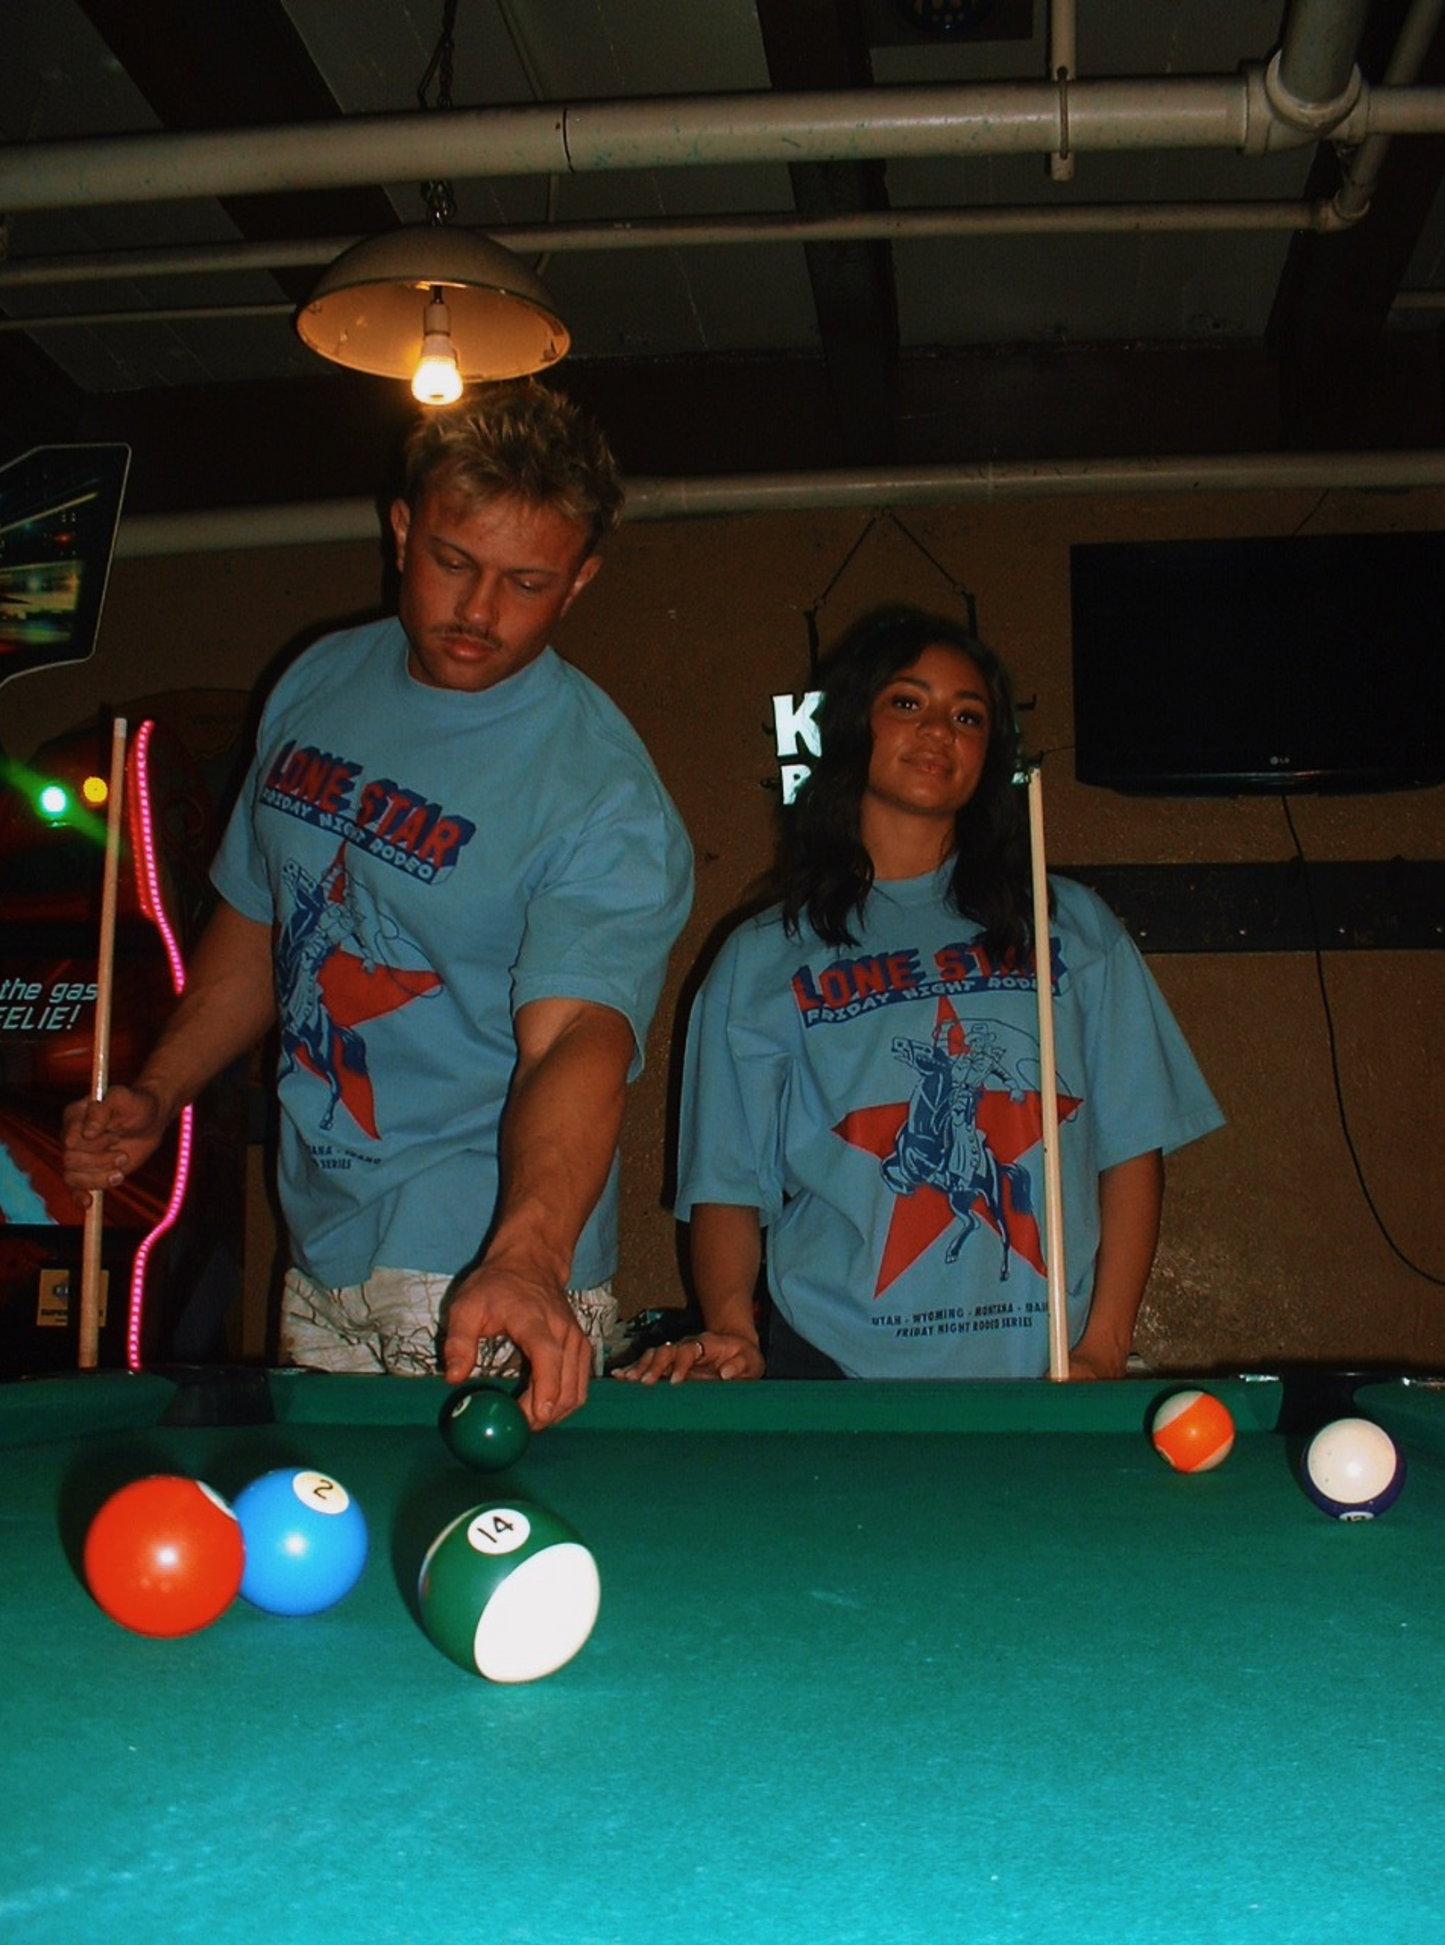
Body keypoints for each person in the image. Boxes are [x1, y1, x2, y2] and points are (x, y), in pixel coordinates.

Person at [64, 381, 693, 1427]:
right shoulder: (318, 679)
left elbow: (575, 1036)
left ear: (579, 581)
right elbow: (266, 915)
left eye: (526, 582)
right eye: (454, 562)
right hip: (319, 1244)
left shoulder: (601, 794)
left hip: (481, 1258)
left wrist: (527, 1257)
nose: (478, 613)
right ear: (402, 530)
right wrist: (160, 1088)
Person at [617, 605, 1221, 1386]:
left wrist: (1104, 1342)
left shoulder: (1067, 921)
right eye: (907, 702)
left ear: (990, 753)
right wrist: (733, 1327)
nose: (939, 728)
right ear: (851, 728)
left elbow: (1130, 1147)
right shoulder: (759, 956)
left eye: (967, 715)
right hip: (834, 1367)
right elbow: (727, 1183)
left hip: (1046, 1371)